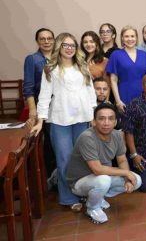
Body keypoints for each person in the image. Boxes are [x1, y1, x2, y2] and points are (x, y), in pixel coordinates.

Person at [31, 32, 96, 211]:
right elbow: (44, 97)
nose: (69, 48)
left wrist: (93, 116)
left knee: (83, 159)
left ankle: (82, 192)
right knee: (64, 159)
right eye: (65, 45)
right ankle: (68, 197)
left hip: (82, 119)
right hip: (60, 120)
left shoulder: (82, 67)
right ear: (59, 47)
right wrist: (40, 121)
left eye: (72, 45)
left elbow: (91, 93)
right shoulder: (50, 69)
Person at [66, 103, 141, 224]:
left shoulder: (117, 135)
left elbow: (122, 160)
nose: (106, 123)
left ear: (116, 122)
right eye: (101, 118)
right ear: (94, 121)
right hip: (79, 182)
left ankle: (97, 197)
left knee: (136, 180)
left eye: (110, 119)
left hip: (100, 177)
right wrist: (126, 172)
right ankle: (92, 207)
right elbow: (97, 169)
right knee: (103, 180)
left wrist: (127, 178)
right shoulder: (87, 137)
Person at [23, 28, 56, 177]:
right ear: (37, 41)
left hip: (59, 105)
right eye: (42, 39)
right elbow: (28, 87)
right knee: (48, 142)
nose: (46, 41)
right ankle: (50, 177)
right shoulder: (32, 59)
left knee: (57, 140)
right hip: (42, 105)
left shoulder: (58, 57)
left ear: (54, 40)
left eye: (49, 38)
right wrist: (32, 110)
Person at [106, 25, 146, 115]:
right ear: (122, 39)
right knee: (126, 127)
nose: (130, 39)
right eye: (126, 36)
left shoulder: (144, 55)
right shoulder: (116, 55)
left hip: (143, 97)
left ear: (136, 38)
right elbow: (113, 80)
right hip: (124, 96)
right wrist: (118, 101)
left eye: (132, 36)